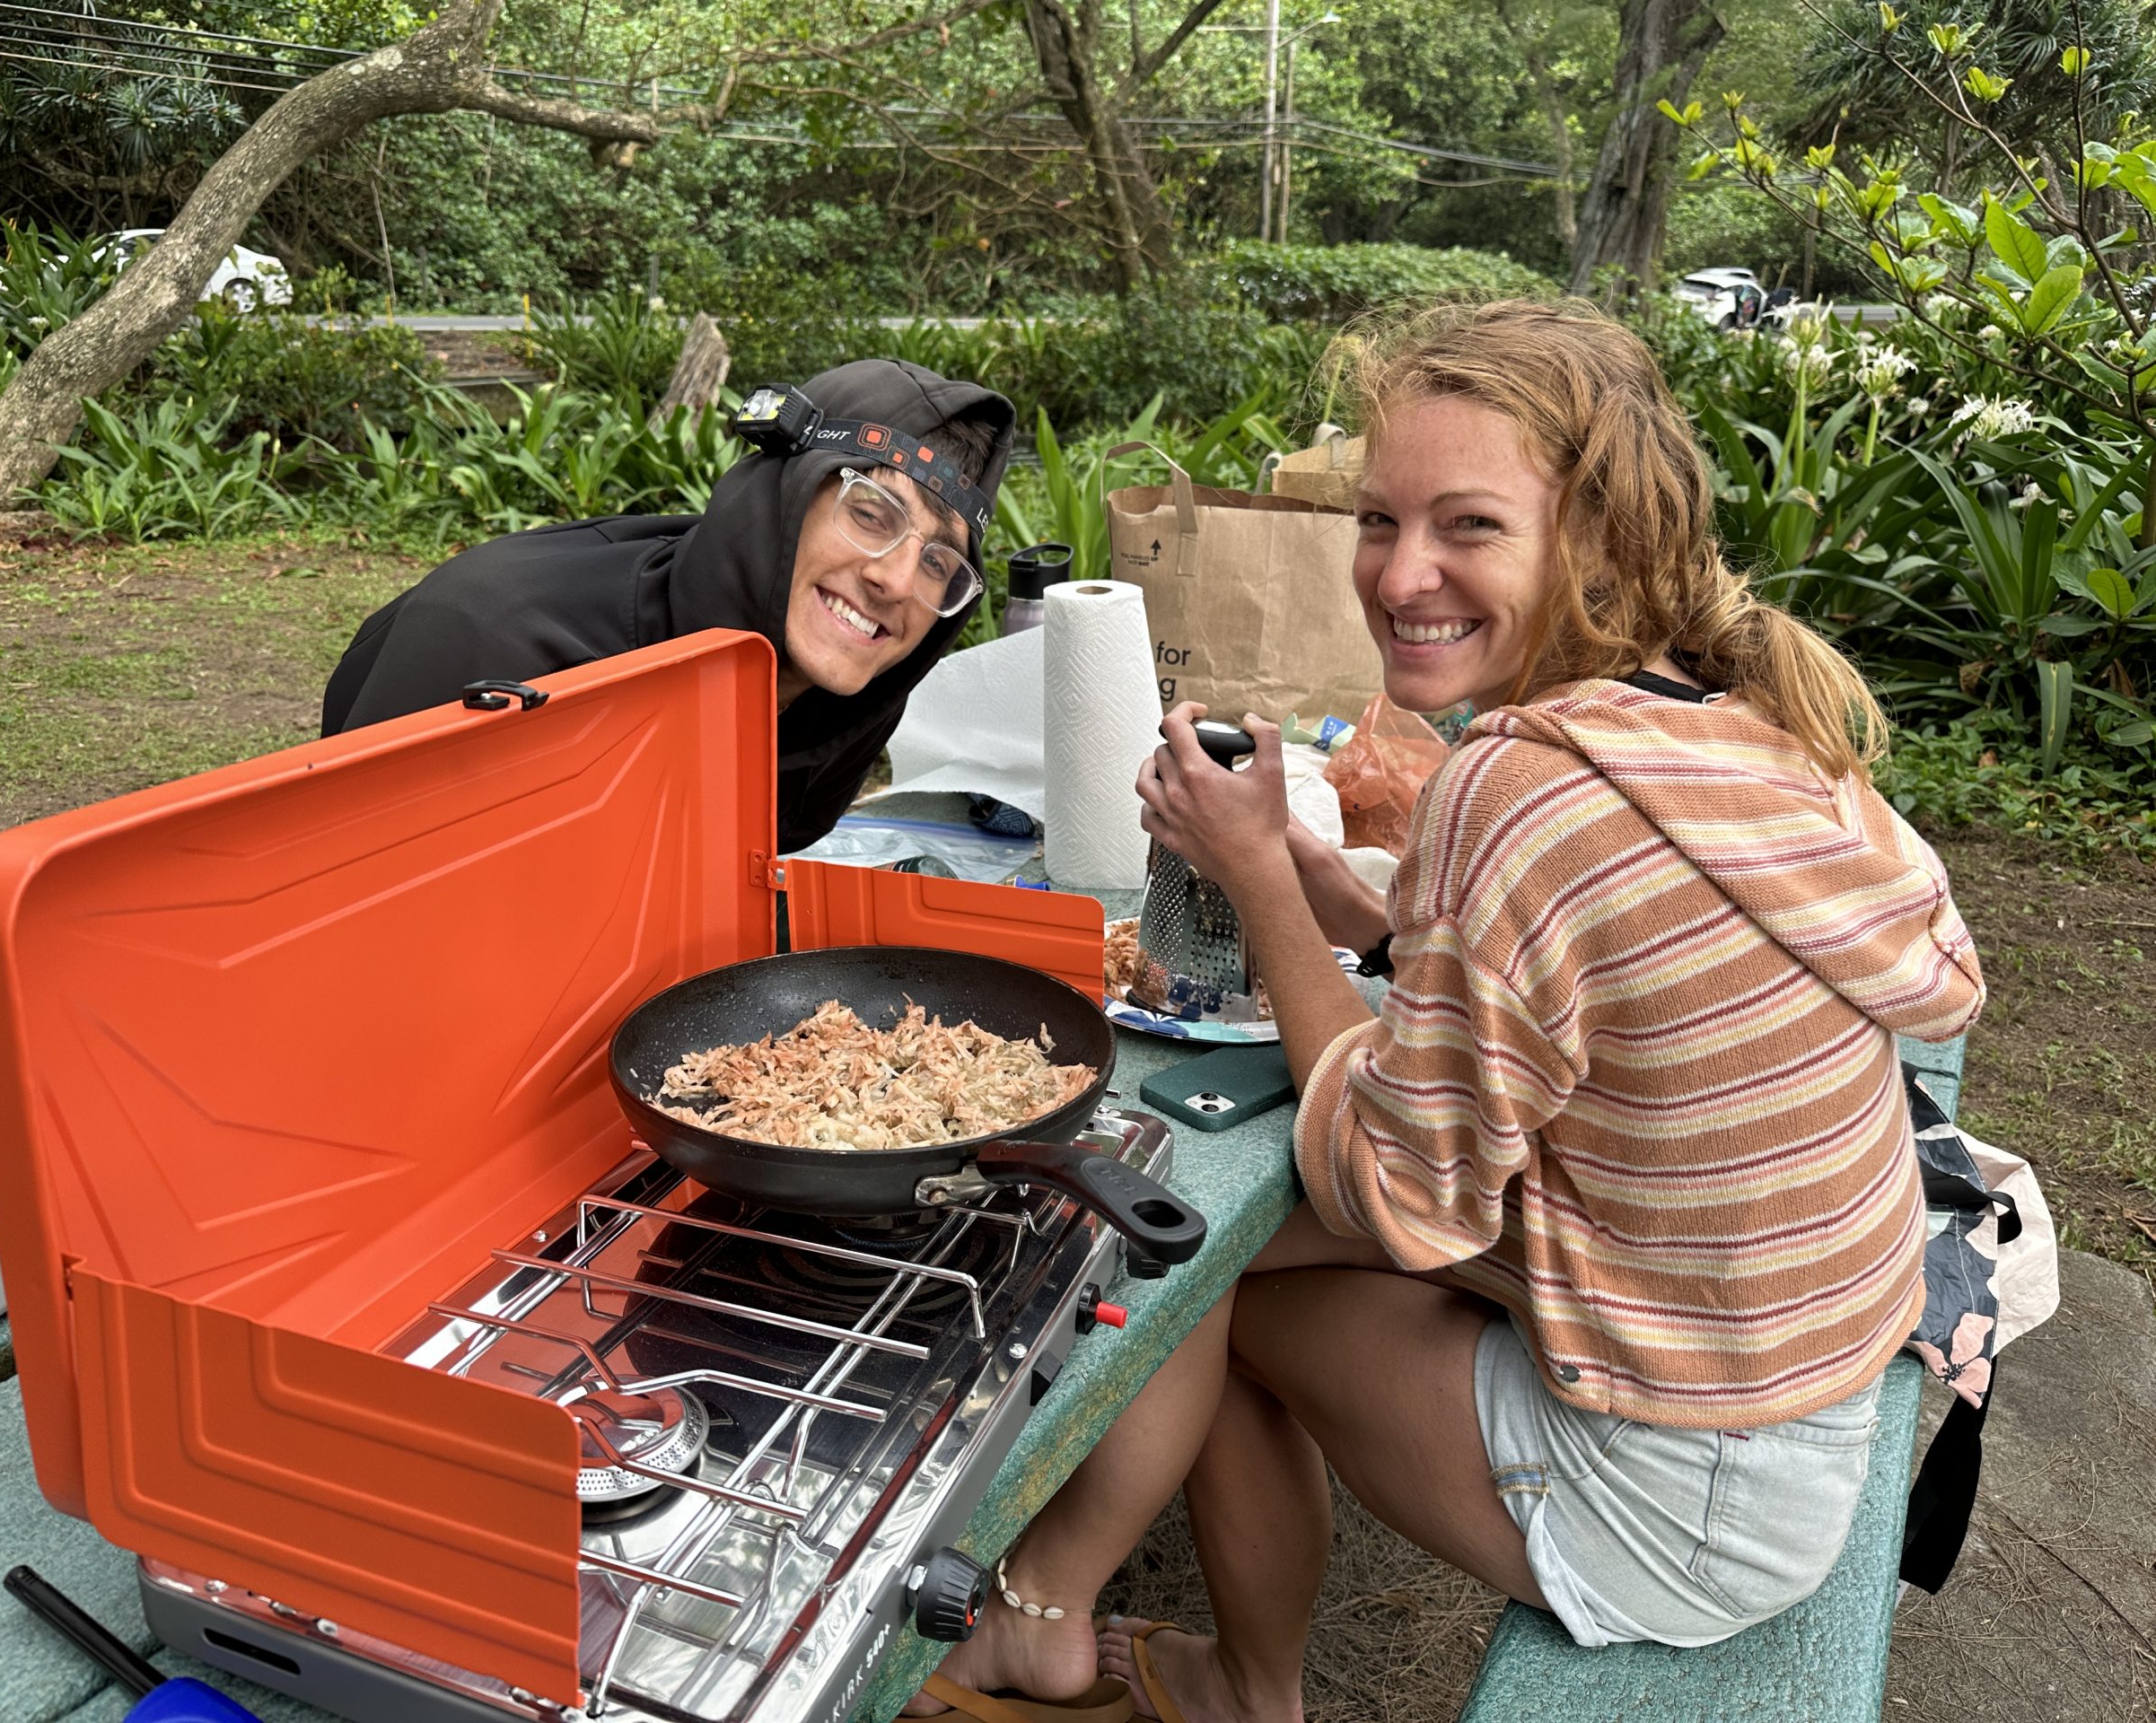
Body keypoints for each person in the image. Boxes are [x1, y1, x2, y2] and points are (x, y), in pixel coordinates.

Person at [905, 300, 1985, 1723]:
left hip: (1689, 1496)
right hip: (1788, 1380)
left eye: (1468, 526)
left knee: (1197, 1285)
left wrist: (1264, 895)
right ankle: (1189, 1658)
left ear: (1594, 540)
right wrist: (1349, 903)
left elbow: (1399, 1199)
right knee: (1249, 1255)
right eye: (1377, 519)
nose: (1401, 572)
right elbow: (1575, 974)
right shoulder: (1743, 709)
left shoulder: (1523, 789)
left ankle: (1159, 1659)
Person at [320, 360, 1015, 852]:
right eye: (871, 513)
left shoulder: (848, 699)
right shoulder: (499, 638)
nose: (896, 580)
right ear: (784, 495)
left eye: (936, 561)